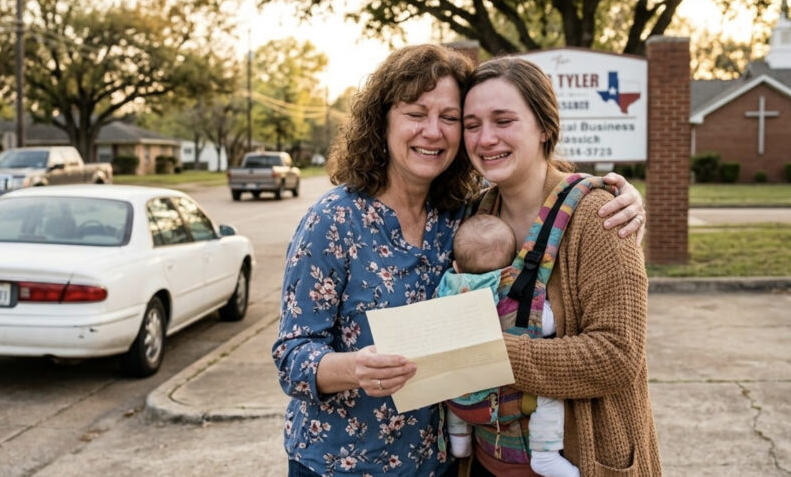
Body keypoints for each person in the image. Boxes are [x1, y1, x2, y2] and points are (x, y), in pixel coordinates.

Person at [272, 44, 646, 477]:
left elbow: (617, 347)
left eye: (450, 118)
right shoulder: (334, 220)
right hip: (341, 464)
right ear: (383, 121)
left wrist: (623, 197)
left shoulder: (456, 216)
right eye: (416, 113)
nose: (434, 131)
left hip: (440, 462)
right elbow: (291, 356)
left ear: (544, 127)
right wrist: (352, 368)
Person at [459, 56, 661, 476]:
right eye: (472, 124)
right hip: (483, 464)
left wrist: (486, 352)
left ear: (545, 127)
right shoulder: (471, 216)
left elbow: (617, 356)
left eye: (503, 120)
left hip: (579, 461)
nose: (485, 138)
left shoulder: (599, 216)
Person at [436, 215, 578, 477]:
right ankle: (545, 454)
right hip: (497, 404)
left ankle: (459, 440)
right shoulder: (509, 299)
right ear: (511, 267)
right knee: (549, 395)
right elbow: (546, 324)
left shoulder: (445, 290)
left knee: (452, 381)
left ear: (456, 266)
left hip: (461, 406)